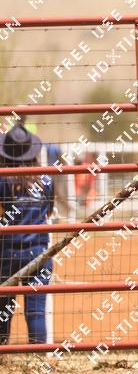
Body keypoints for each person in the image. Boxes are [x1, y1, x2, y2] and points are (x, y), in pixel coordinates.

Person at [0, 123, 54, 344]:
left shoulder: (3, 180)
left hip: (6, 255)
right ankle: (37, 355)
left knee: (3, 309)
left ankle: (3, 351)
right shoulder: (46, 179)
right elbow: (48, 212)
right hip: (39, 252)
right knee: (36, 311)